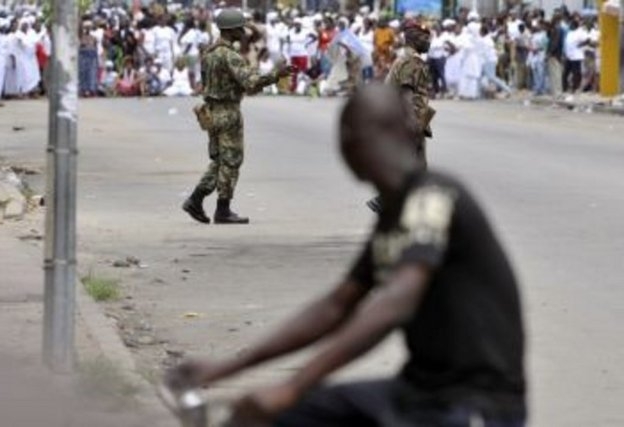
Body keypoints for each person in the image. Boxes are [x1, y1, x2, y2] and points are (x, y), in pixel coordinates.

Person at [164, 84, 527, 427]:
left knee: (286, 405)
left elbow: (396, 301)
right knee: (278, 416)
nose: (348, 147)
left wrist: (292, 386)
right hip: (418, 392)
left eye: (354, 136)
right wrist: (225, 369)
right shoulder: (394, 214)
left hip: (474, 404)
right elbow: (336, 305)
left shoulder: (432, 198)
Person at [182, 8, 294, 225]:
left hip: (212, 110)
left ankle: (196, 200)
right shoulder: (230, 56)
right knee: (231, 160)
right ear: (231, 30)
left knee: (219, 160)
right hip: (228, 111)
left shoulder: (209, 53)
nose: (243, 31)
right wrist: (275, 75)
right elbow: (249, 82)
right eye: (240, 28)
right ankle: (222, 210)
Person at [366, 22, 434, 214]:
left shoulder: (405, 59)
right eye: (425, 38)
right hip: (409, 120)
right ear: (413, 39)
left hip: (409, 120)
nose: (429, 42)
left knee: (418, 169)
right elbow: (405, 93)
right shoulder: (411, 61)